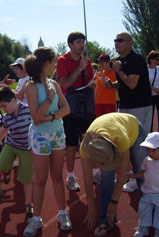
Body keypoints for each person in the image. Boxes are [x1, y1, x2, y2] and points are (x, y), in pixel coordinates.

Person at [23, 47, 71, 237]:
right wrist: (50, 99)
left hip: (58, 133)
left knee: (58, 176)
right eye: (53, 61)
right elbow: (35, 117)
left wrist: (50, 117)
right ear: (45, 63)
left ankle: (62, 214)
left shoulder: (53, 83)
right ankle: (36, 219)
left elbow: (66, 108)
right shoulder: (31, 86)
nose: (55, 64)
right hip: (40, 137)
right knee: (41, 178)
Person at [80, 113, 147, 237]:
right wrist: (92, 206)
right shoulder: (86, 147)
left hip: (132, 128)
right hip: (108, 131)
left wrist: (114, 201)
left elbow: (122, 175)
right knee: (106, 177)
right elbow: (87, 180)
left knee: (142, 172)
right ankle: (106, 220)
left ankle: (150, 213)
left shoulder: (121, 140)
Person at [108, 32, 152, 192]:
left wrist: (118, 71)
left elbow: (132, 84)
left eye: (120, 40)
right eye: (115, 40)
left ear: (129, 43)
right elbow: (124, 84)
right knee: (126, 143)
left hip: (139, 106)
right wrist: (112, 85)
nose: (116, 43)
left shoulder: (136, 59)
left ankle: (144, 181)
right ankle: (135, 178)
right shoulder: (120, 61)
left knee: (139, 145)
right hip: (125, 106)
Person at [56, 31, 96, 191]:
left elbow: (90, 80)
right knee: (71, 144)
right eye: (78, 42)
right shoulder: (62, 61)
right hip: (69, 107)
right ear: (71, 44)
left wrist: (93, 84)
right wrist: (79, 69)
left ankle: (95, 173)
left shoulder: (87, 61)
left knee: (90, 141)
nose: (82, 45)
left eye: (83, 42)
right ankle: (71, 176)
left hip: (86, 105)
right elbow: (64, 84)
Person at [0, 87, 34, 216]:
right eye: (1, 107)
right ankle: (7, 171)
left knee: (27, 177)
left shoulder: (28, 111)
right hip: (11, 144)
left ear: (14, 100)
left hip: (26, 148)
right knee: (1, 165)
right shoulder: (7, 117)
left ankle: (28, 203)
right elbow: (3, 131)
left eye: (5, 106)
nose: (4, 109)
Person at [128, 132, 159, 237]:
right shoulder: (147, 161)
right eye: (148, 150)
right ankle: (143, 228)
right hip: (147, 192)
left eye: (153, 150)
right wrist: (134, 176)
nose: (150, 153)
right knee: (144, 210)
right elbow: (143, 173)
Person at [147, 50, 159, 136]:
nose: (158, 61)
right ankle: (150, 136)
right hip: (150, 95)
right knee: (149, 117)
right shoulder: (145, 69)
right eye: (156, 59)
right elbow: (144, 84)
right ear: (151, 59)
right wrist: (154, 89)